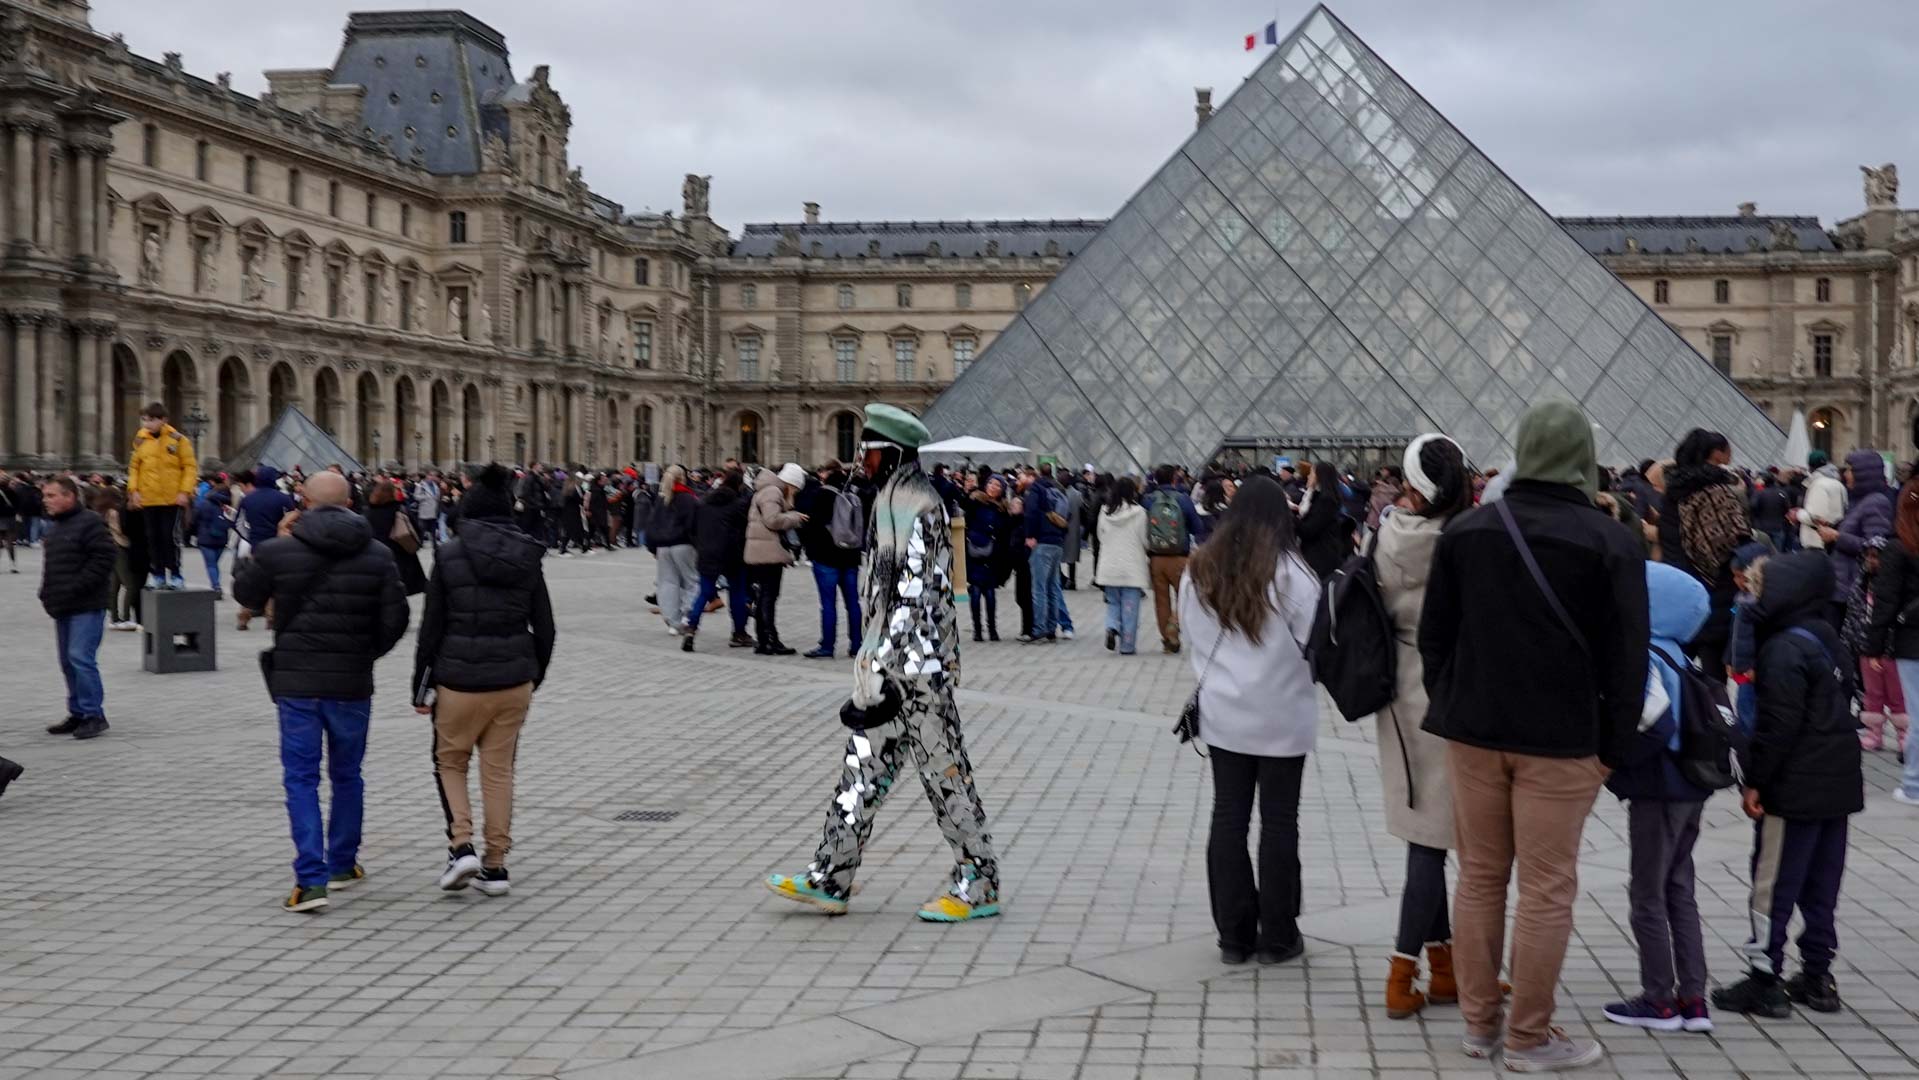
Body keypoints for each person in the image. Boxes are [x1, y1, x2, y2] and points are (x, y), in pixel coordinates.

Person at [1418, 401, 1648, 1071]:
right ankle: (1527, 1038)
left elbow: (1434, 641)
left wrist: (1455, 703)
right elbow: (1627, 660)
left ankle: (1479, 1026)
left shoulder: (1466, 531)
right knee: (1546, 889)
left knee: (1479, 878)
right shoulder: (1611, 541)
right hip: (1562, 740)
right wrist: (1612, 748)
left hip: (1473, 734)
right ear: (1582, 457)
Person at [766, 404, 1002, 922]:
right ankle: (831, 876)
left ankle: (980, 881)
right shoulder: (890, 501)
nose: (862, 462)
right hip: (888, 669)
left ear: (892, 454)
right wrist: (873, 662)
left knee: (945, 777)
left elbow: (916, 591)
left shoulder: (920, 505)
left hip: (918, 672)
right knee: (859, 775)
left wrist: (884, 662)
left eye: (869, 453)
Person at [234, 471, 409, 913]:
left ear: (303, 502)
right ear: (350, 503)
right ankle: (342, 864)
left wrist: (271, 543)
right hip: (351, 682)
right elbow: (397, 618)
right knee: (348, 774)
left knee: (301, 778)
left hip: (297, 684)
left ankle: (310, 881)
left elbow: (246, 594)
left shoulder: (279, 550)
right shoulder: (377, 553)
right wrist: (364, 653)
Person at [1712, 552, 1863, 1018]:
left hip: (1794, 787)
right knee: (1821, 883)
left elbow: (1778, 725)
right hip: (1837, 782)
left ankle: (1764, 977)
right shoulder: (1826, 636)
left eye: (1759, 589)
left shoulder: (1782, 649)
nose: (1753, 598)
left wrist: (1756, 782)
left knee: (1773, 883)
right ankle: (1818, 975)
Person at [1178, 475, 1316, 966]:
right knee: (1279, 822)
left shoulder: (1199, 569)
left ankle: (1233, 936)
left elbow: (1190, 635)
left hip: (1224, 713)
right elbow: (1313, 643)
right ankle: (1278, 935)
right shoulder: (1294, 575)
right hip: (1283, 714)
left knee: (1228, 818)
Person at [413, 465, 556, 898]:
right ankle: (496, 864)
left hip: (458, 680)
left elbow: (431, 626)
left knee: (450, 762)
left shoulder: (449, 554)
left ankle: (461, 846)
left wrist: (420, 683)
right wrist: (533, 675)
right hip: (513, 680)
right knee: (499, 771)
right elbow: (545, 626)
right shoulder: (528, 554)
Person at [1370, 434, 1473, 1020]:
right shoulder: (1464, 540)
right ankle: (1401, 971)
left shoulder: (1387, 534)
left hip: (1400, 688)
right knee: (1431, 841)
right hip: (1449, 689)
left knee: (1425, 831)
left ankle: (1445, 970)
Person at [1599, 562, 1714, 1034]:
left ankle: (1658, 999)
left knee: (1646, 892)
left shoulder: (1646, 656)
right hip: (1692, 785)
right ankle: (1694, 998)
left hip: (1658, 787)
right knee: (1679, 887)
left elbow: (1654, 723)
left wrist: (1614, 764)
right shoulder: (1682, 655)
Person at [1656, 429, 1749, 680]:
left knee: (1678, 666)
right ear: (1712, 455)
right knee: (1713, 669)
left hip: (1677, 584)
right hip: (1714, 589)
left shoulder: (1672, 492)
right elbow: (1729, 542)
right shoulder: (1716, 491)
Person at [39, 475, 118, 741]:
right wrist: (46, 593)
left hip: (86, 603)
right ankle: (78, 711)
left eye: (51, 495)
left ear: (69, 496)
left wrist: (77, 586)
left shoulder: (90, 522)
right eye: (45, 495)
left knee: (80, 658)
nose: (46, 500)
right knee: (67, 661)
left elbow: (104, 558)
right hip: (63, 604)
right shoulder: (55, 527)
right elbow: (53, 567)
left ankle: (94, 714)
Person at [1867, 478, 1919, 804]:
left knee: (1917, 712)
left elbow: (1885, 600)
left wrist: (1873, 646)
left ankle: (1914, 784)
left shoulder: (1899, 547)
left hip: (1912, 639)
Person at [127, 401, 198, 590]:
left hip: (171, 499)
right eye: (145, 420)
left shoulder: (178, 440)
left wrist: (184, 492)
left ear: (163, 420)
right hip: (148, 498)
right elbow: (134, 468)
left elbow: (189, 467)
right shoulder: (140, 440)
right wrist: (133, 491)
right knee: (152, 538)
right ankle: (157, 573)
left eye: (151, 420)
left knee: (170, 537)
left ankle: (175, 573)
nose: (147, 424)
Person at [1847, 537, 1908, 754]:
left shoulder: (1897, 585)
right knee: (1872, 693)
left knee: (1897, 693)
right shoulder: (1861, 585)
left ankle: (1904, 733)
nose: (1872, 561)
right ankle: (1874, 733)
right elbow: (1853, 616)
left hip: (1891, 649)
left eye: (1877, 557)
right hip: (1866, 646)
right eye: (1869, 556)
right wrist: (1852, 641)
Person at [797, 462, 863, 660]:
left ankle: (827, 645)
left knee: (828, 604)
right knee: (853, 603)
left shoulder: (821, 495)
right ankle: (856, 645)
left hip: (826, 557)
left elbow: (811, 526)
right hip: (850, 556)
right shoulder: (853, 496)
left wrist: (810, 551)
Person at [1821, 450, 1893, 630]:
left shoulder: (1876, 502)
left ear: (1864, 474)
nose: (1845, 474)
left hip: (1849, 591)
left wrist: (1837, 536)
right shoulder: (1859, 501)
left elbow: (1875, 548)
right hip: (1840, 588)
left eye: (1850, 470)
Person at [684, 468, 753, 652]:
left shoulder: (703, 502)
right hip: (732, 554)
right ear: (739, 485)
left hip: (707, 552)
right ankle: (739, 633)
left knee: (704, 592)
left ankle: (691, 628)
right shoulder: (738, 504)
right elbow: (744, 530)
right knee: (737, 594)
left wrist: (700, 544)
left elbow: (692, 528)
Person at [744, 463, 808, 656]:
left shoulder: (767, 489)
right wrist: (795, 518)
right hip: (768, 552)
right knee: (768, 597)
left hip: (762, 550)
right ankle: (770, 640)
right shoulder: (773, 491)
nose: (795, 493)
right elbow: (772, 520)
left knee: (764, 596)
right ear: (790, 483)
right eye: (795, 489)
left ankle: (764, 640)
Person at [1143, 465, 1199, 653]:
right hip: (1179, 557)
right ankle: (1175, 624)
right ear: (1175, 479)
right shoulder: (1183, 499)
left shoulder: (1148, 500)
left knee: (1161, 600)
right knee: (1185, 596)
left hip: (1156, 558)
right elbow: (1197, 527)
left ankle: (1168, 641)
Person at [1093, 476, 1149, 655]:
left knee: (1113, 603)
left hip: (1110, 566)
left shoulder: (1105, 511)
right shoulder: (1139, 512)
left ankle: (1111, 626)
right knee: (1130, 609)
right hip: (1132, 567)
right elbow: (1144, 539)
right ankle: (1127, 645)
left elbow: (1100, 536)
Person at [1022, 463, 1073, 643]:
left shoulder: (1036, 490)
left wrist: (1030, 535)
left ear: (1035, 475)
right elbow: (1068, 516)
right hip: (1057, 542)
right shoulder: (1057, 489)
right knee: (1053, 587)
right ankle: (1051, 627)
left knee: (1039, 588)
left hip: (1042, 542)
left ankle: (1039, 629)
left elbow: (1030, 513)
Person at [648, 466, 701, 635]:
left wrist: (652, 547)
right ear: (683, 478)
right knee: (692, 581)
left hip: (662, 546)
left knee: (667, 583)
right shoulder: (689, 498)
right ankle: (687, 615)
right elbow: (694, 524)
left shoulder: (661, 498)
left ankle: (673, 622)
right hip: (683, 544)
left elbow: (652, 523)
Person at [364, 479, 427, 596]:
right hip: (401, 556)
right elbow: (416, 530)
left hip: (377, 557)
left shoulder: (368, 512)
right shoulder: (399, 510)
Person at [963, 476, 1008, 642]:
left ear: (1002, 490)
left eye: (997, 485)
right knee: (975, 592)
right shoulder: (976, 501)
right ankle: (977, 629)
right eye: (990, 483)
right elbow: (964, 513)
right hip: (974, 552)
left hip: (993, 556)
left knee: (990, 593)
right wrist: (967, 491)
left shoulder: (1003, 509)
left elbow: (1005, 531)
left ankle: (992, 629)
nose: (993, 487)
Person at [1296, 460, 1353, 580]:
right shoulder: (1317, 497)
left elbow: (1309, 530)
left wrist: (1289, 516)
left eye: (1311, 473)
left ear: (1319, 476)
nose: (1308, 476)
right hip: (1318, 554)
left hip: (1320, 557)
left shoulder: (1326, 501)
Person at [1792, 450, 1847, 552]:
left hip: (1815, 541)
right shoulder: (1839, 484)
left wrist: (1798, 514)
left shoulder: (1818, 484)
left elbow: (1817, 518)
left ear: (1810, 466)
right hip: (1834, 539)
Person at [193, 488, 234, 598]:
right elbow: (231, 522)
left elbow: (194, 520)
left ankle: (216, 586)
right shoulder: (226, 506)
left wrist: (194, 533)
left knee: (211, 564)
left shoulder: (202, 504)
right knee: (214, 564)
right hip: (221, 539)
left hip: (205, 539)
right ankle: (216, 584)